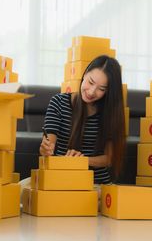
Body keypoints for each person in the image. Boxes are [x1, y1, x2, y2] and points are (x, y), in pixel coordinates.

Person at [39, 55, 126, 184]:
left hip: (96, 183)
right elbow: (48, 146)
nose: (91, 92)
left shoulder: (110, 112)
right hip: (61, 180)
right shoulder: (58, 102)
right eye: (90, 82)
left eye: (101, 89)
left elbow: (109, 159)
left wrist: (82, 161)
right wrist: (45, 149)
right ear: (84, 74)